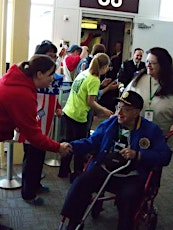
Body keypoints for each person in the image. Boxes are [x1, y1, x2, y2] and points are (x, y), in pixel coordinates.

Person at [60, 90, 172, 230]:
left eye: (125, 109)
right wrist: (71, 146)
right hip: (106, 169)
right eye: (118, 107)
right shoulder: (111, 123)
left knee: (128, 198)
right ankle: (73, 222)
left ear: (136, 112)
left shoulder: (150, 130)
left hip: (132, 176)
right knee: (81, 182)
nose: (119, 112)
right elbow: (91, 142)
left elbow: (165, 156)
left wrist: (138, 155)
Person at [0, 55, 72, 204]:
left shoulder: (18, 81)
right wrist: (58, 147)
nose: (53, 78)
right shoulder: (23, 93)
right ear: (39, 74)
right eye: (50, 74)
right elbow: (34, 136)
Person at [17, 40, 63, 205]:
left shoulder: (52, 76)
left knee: (39, 157)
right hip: (33, 124)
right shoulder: (30, 76)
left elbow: (53, 95)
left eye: (54, 56)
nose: (53, 59)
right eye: (49, 56)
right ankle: (28, 193)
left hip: (47, 124)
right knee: (31, 159)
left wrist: (58, 107)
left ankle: (35, 185)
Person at [58, 53, 114, 181]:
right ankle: (77, 175)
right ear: (104, 66)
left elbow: (85, 90)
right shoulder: (94, 79)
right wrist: (104, 110)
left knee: (69, 142)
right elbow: (90, 101)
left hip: (69, 111)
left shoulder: (84, 73)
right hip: (78, 116)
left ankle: (63, 170)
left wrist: (102, 85)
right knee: (80, 147)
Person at [125, 47, 173, 151]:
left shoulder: (170, 84)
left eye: (152, 62)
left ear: (163, 65)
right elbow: (124, 100)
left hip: (161, 138)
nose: (148, 65)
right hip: (135, 135)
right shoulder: (139, 79)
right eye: (147, 61)